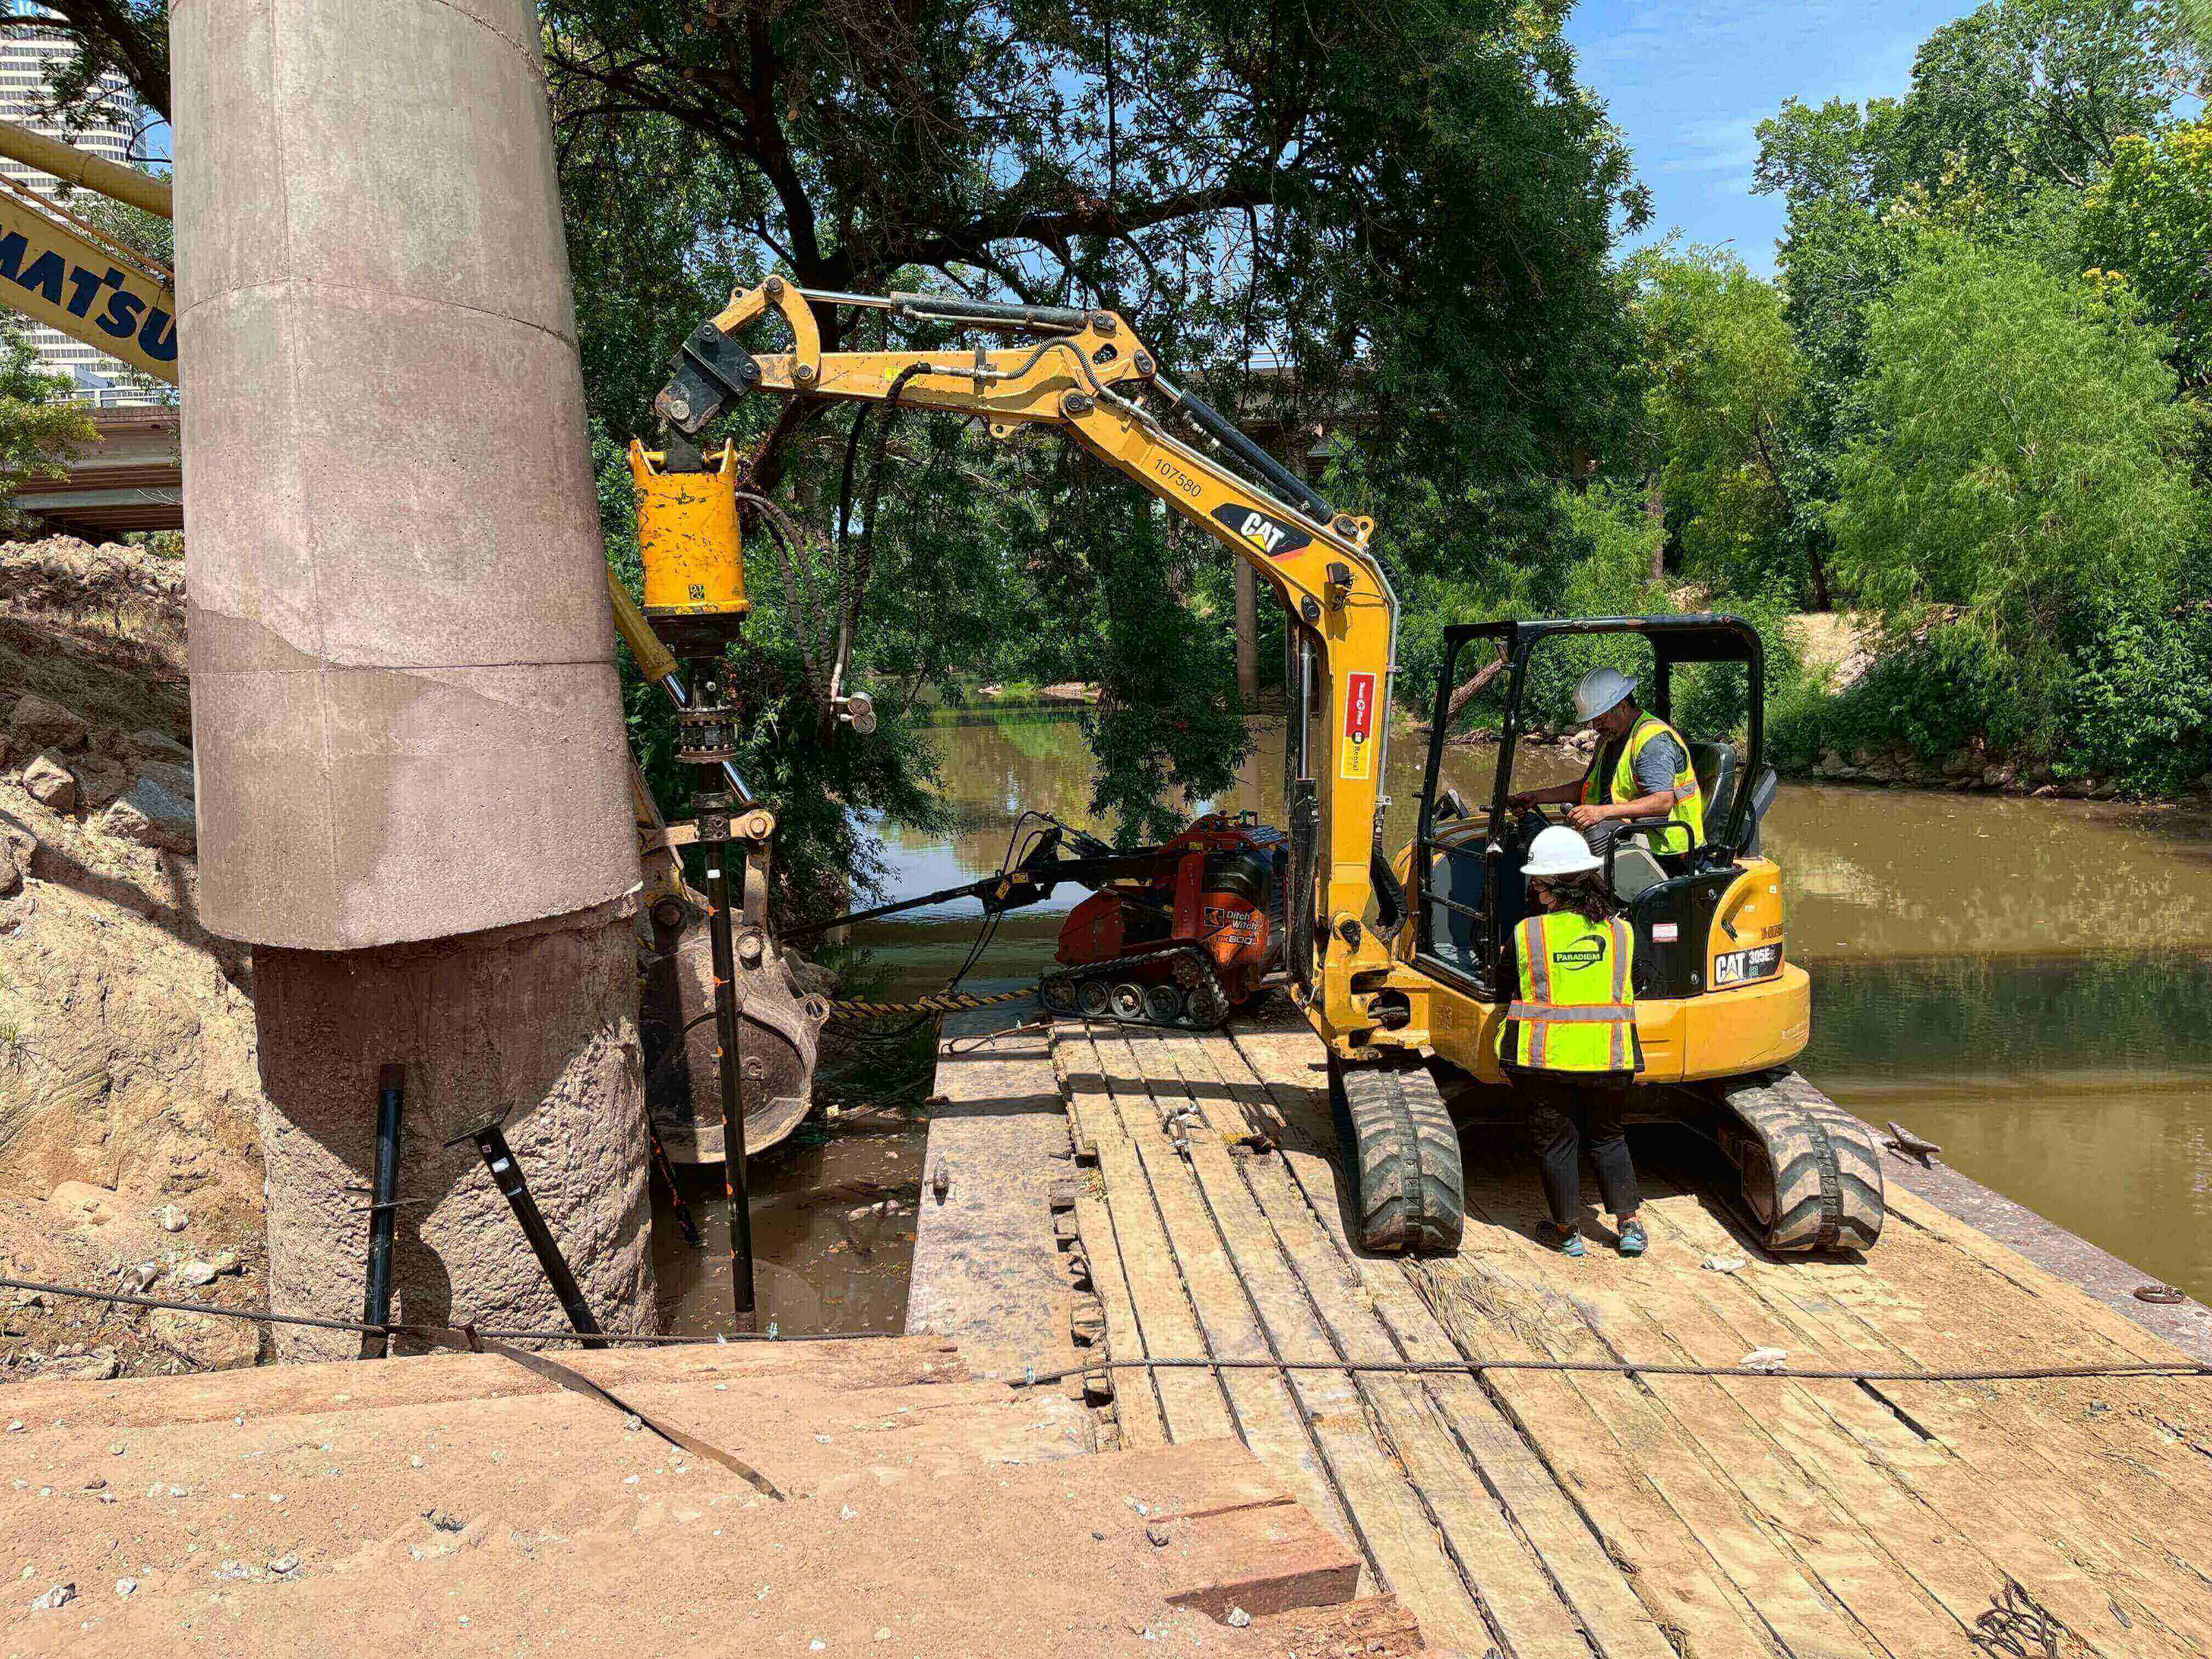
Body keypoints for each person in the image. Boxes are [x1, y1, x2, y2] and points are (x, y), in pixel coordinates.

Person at [1498, 826, 1646, 1257]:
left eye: (1537, 884)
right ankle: (1630, 1226)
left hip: (1549, 1059)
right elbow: (1636, 981)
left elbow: (1504, 981)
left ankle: (1567, 1233)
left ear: (1550, 890)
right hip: (1611, 1057)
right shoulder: (1622, 932)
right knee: (1609, 1136)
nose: (1534, 890)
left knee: (1558, 1143)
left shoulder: (1529, 933)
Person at [1508, 667, 1703, 859]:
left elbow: (1662, 802)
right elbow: (1586, 788)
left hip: (1666, 849)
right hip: (1626, 834)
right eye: (1593, 721)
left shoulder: (1652, 741)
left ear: (1623, 707)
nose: (1596, 727)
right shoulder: (1608, 740)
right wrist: (1537, 797)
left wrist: (1601, 812)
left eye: (1601, 719)